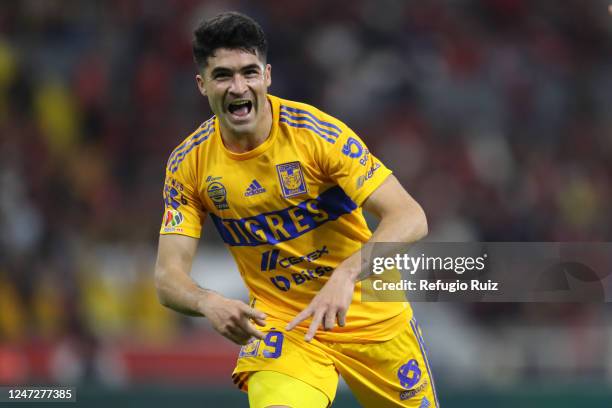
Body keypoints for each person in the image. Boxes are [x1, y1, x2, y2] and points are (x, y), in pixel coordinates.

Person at [155, 11, 436, 408]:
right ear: (203, 84)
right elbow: (168, 278)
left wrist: (346, 274)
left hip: (374, 319)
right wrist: (207, 302)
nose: (239, 87)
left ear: (267, 76)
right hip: (285, 328)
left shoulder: (317, 136)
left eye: (249, 72)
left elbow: (410, 217)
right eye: (223, 75)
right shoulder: (189, 165)